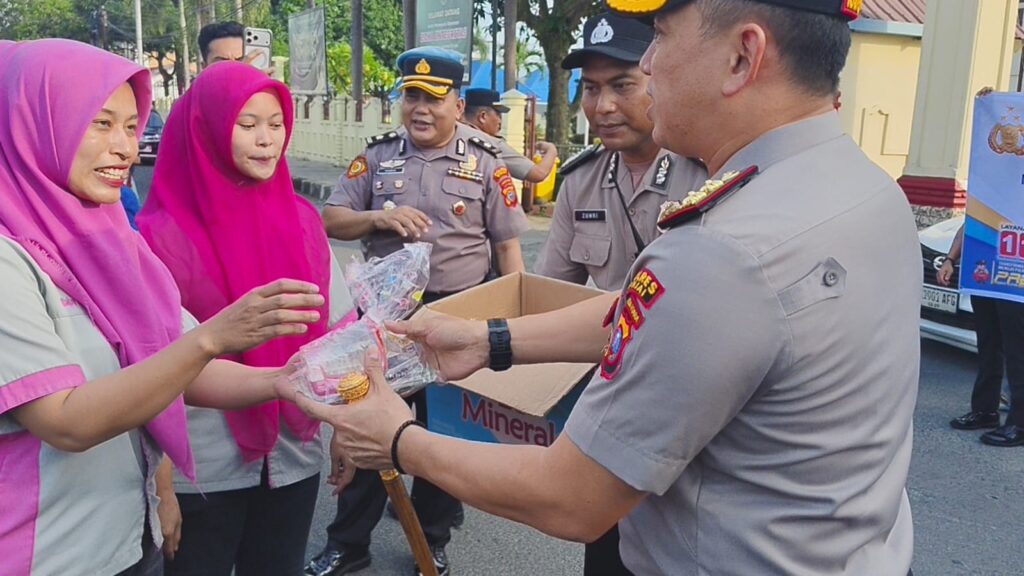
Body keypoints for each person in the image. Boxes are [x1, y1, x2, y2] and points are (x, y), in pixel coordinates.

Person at [293, 1, 923, 574]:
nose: (648, 63)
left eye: (661, 37)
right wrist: (489, 339)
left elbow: (571, 498)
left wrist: (398, 439)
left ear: (742, 56)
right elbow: (648, 317)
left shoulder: (722, 249)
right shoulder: (863, 185)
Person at [0, 39, 323, 576]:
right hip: (45, 554)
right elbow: (65, 421)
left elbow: (178, 366)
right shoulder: (9, 258)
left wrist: (282, 381)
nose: (124, 148)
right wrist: (212, 339)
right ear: (35, 123)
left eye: (131, 127)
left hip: (126, 539)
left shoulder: (112, 241)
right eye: (100, 123)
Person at [308, 47, 530, 576]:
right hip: (388, 321)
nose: (421, 109)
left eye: (433, 99)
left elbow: (508, 250)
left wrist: (513, 328)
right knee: (369, 426)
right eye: (412, 96)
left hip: (458, 316)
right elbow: (331, 219)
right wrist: (377, 220)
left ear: (458, 105)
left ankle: (431, 541)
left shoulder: (486, 162)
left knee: (444, 433)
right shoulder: (377, 156)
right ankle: (347, 545)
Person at [135, 63, 358, 575]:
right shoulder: (157, 238)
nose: (266, 140)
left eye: (276, 124)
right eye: (247, 123)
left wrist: (346, 425)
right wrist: (161, 485)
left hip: (294, 451)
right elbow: (151, 370)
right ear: (207, 128)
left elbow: (340, 332)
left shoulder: (302, 221)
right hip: (203, 467)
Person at [535, 11, 706, 293]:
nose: (603, 106)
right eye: (591, 88)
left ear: (660, 80)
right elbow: (549, 289)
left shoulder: (707, 173)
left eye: (622, 85)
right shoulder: (581, 182)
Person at [940, 220, 1024, 446]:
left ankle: (1020, 423)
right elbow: (970, 222)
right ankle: (985, 411)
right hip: (986, 276)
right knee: (988, 346)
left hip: (1016, 280)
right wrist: (950, 259)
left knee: (1018, 351)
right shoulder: (987, 196)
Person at [462, 87, 558, 184]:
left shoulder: (455, 134)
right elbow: (538, 174)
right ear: (483, 116)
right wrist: (551, 150)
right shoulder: (490, 144)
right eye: (498, 115)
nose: (500, 121)